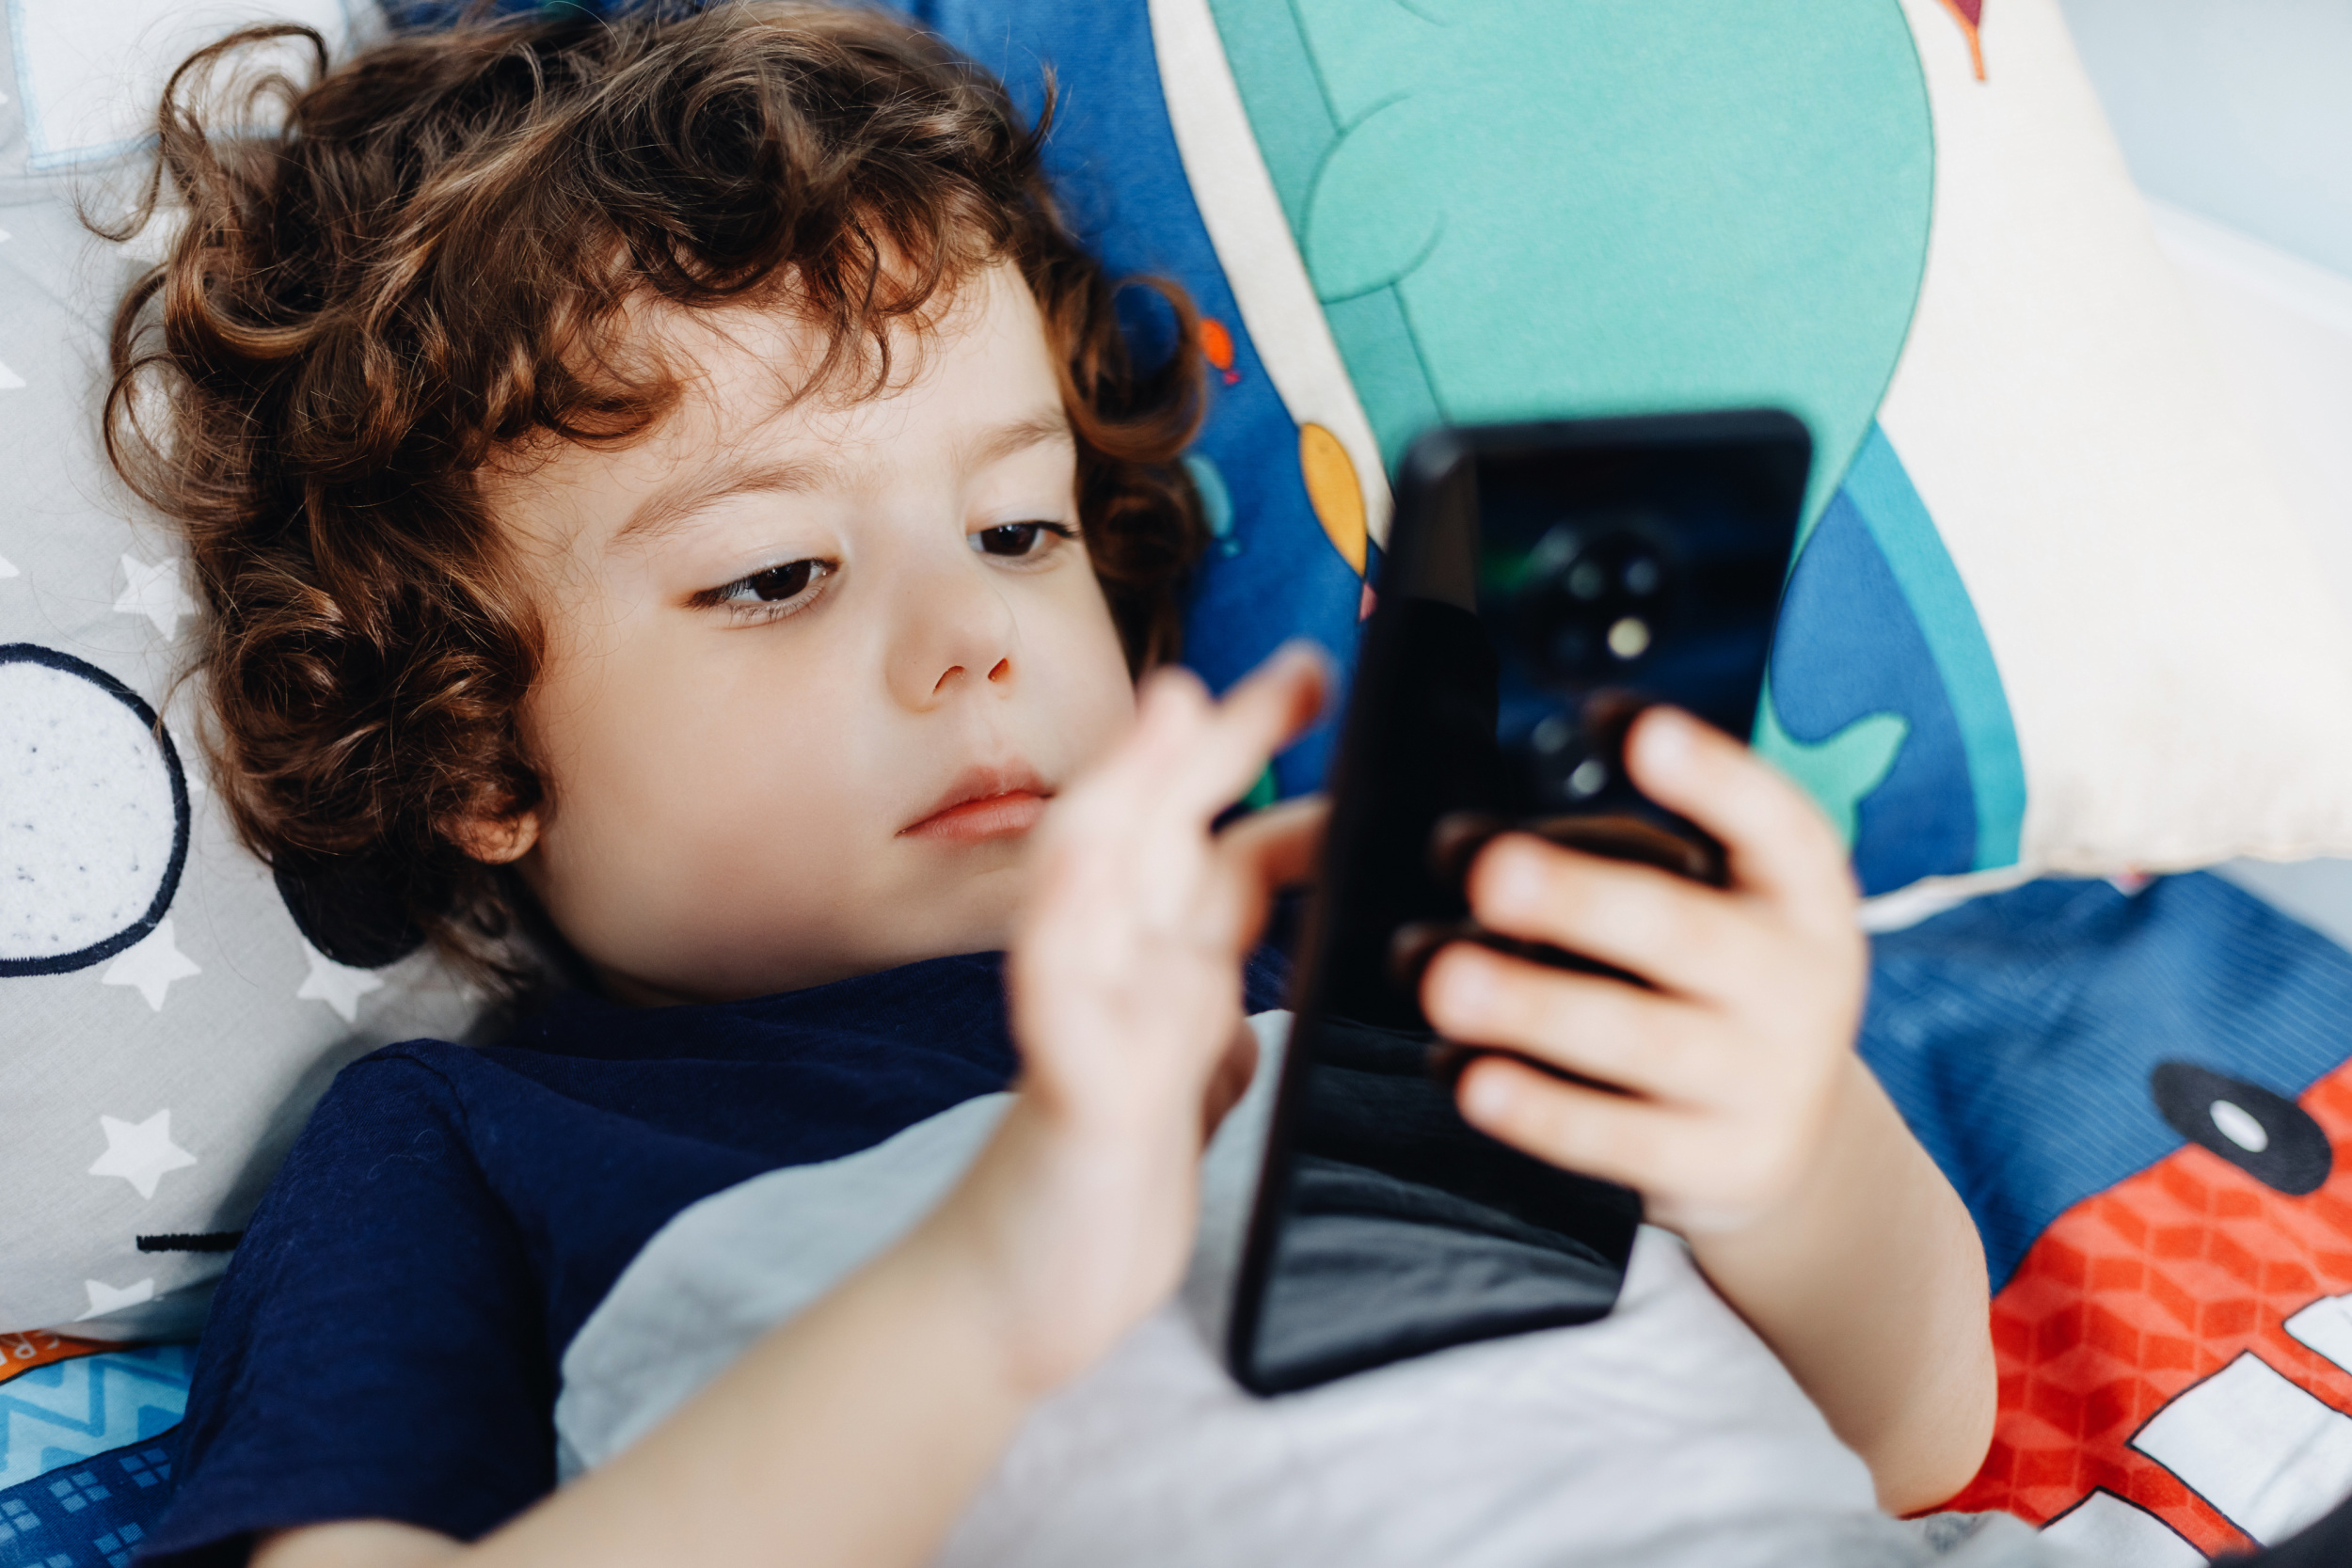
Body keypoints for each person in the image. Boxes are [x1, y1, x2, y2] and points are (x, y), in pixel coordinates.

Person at [108, 5, 2010, 1564]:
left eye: (1017, 529)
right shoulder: (457, 1146)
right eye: (775, 574)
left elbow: (1915, 1438)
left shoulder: (1342, 947)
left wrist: (1786, 1148)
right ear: (469, 749)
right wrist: (997, 1273)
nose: (973, 641)